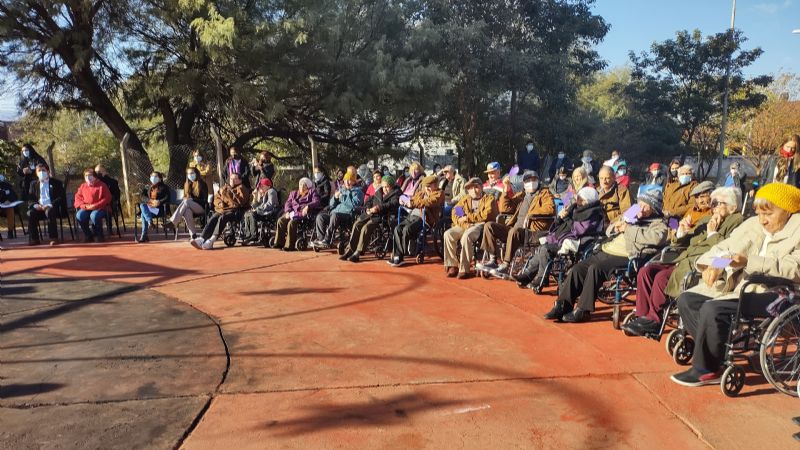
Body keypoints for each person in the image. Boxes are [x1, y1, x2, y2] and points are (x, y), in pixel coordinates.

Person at [670, 183, 800, 387]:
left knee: (713, 309)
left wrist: (750, 261)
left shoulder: (797, 230)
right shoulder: (753, 225)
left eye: (768, 213)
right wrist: (715, 266)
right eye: (758, 213)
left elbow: (794, 269)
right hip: (742, 285)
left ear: (787, 211)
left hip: (779, 293)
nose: (762, 220)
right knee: (688, 299)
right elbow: (727, 249)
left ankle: (707, 368)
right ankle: (717, 351)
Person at [624, 186, 743, 337]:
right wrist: (682, 231)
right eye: (712, 204)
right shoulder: (706, 219)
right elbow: (682, 241)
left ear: (732, 207)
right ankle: (643, 316)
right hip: (682, 257)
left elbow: (727, 249)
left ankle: (654, 320)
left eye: (717, 203)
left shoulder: (737, 221)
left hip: (700, 263)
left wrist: (712, 233)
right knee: (646, 271)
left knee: (662, 278)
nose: (712, 207)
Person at [545, 189, 668, 323]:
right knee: (578, 269)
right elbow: (609, 229)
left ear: (654, 208)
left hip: (627, 255)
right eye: (640, 204)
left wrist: (629, 229)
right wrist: (617, 226)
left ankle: (583, 310)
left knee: (595, 269)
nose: (642, 208)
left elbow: (656, 238)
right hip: (608, 248)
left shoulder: (659, 223)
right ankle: (563, 305)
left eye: (646, 206)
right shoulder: (632, 213)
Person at [515, 186, 605, 288]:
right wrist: (560, 217)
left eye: (581, 199)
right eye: (578, 198)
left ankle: (542, 278)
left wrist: (568, 220)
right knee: (541, 248)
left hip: (577, 241)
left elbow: (580, 230)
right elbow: (559, 225)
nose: (578, 200)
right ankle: (527, 274)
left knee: (545, 249)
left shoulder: (593, 214)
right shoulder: (575, 208)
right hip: (564, 237)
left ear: (588, 201)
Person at [477, 171, 555, 278]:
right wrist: (506, 188)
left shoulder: (545, 193)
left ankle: (506, 265)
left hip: (532, 231)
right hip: (516, 230)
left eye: (534, 180)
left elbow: (550, 209)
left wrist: (531, 214)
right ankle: (493, 260)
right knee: (489, 226)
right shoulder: (522, 196)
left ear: (538, 181)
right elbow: (505, 208)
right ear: (524, 184)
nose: (531, 183)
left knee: (514, 231)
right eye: (528, 181)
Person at [444, 177, 499, 279]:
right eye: (470, 188)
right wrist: (464, 222)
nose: (473, 190)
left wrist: (468, 217)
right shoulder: (465, 199)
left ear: (481, 187)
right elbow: (456, 211)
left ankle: (464, 269)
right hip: (465, 225)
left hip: (480, 224)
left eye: (476, 187)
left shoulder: (489, 199)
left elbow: (486, 214)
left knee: (467, 236)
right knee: (448, 234)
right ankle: (452, 265)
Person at [340, 175, 401, 263]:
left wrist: (378, 207)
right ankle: (350, 249)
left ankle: (358, 252)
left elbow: (393, 204)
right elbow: (369, 200)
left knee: (366, 227)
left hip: (383, 217)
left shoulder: (396, 193)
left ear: (391, 186)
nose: (385, 189)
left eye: (387, 187)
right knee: (357, 224)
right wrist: (367, 208)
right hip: (370, 213)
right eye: (383, 186)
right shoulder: (379, 191)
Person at [389, 175, 444, 267]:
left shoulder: (439, 193)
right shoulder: (421, 192)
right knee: (398, 228)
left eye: (429, 186)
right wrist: (404, 200)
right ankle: (398, 256)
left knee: (407, 229)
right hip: (413, 215)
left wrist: (413, 203)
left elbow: (430, 202)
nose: (427, 188)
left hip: (425, 218)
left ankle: (399, 255)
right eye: (426, 186)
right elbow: (412, 199)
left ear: (435, 185)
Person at [190, 173, 251, 250]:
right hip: (223, 210)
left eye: (235, 178)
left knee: (223, 217)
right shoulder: (225, 187)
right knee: (214, 217)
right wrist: (220, 203)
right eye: (231, 178)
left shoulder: (242, 189)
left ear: (240, 180)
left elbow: (237, 203)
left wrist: (226, 196)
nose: (232, 180)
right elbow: (217, 198)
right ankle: (202, 239)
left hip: (237, 212)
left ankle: (211, 240)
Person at [312, 172, 364, 249]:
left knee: (335, 215)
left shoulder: (358, 192)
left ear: (353, 181)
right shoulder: (342, 189)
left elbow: (355, 205)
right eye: (345, 180)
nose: (347, 182)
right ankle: (321, 239)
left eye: (349, 180)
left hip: (348, 214)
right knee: (320, 216)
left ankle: (327, 239)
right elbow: (331, 204)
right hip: (335, 212)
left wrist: (342, 198)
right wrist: (335, 198)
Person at [272, 177, 321, 251]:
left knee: (291, 223)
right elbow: (288, 203)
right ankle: (279, 243)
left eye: (303, 185)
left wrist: (308, 206)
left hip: (302, 214)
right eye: (300, 184)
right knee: (281, 220)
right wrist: (288, 211)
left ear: (307, 186)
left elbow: (316, 201)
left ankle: (289, 246)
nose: (301, 186)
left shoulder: (312, 192)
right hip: (292, 212)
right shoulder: (293, 193)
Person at [27, 164, 65, 246]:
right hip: (39, 208)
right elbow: (30, 199)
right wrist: (36, 206)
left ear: (48, 171)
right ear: (36, 173)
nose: (41, 172)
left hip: (52, 208)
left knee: (49, 211)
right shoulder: (33, 184)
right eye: (39, 171)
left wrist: (50, 205)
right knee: (31, 213)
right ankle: (35, 239)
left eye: (43, 170)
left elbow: (60, 197)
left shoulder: (56, 183)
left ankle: (53, 238)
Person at [168, 167, 208, 240]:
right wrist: (186, 198)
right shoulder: (187, 184)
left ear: (197, 174)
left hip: (201, 207)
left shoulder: (202, 184)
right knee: (187, 211)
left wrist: (192, 199)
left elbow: (204, 200)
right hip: (189, 206)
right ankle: (193, 235)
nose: (190, 175)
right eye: (188, 173)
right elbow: (185, 197)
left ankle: (173, 222)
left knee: (187, 201)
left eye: (192, 173)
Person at [74, 168, 112, 242]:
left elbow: (107, 198)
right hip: (87, 208)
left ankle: (99, 235)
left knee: (94, 215)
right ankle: (88, 235)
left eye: (90, 175)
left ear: (95, 176)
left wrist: (96, 205)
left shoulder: (102, 185)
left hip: (101, 208)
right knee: (79, 215)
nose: (88, 177)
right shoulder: (83, 186)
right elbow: (77, 198)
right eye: (86, 176)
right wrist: (84, 206)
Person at [242, 177, 280, 244]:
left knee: (252, 214)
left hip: (270, 213)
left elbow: (270, 204)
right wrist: (255, 197)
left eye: (262, 186)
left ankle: (254, 235)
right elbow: (256, 205)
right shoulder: (264, 193)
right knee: (247, 213)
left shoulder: (271, 191)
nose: (260, 187)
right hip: (264, 211)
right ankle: (248, 235)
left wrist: (257, 210)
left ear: (268, 186)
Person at [137, 171, 170, 243]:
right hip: (149, 209)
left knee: (143, 213)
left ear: (160, 178)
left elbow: (167, 197)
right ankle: (149, 223)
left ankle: (144, 235)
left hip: (159, 209)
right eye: (152, 176)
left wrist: (159, 201)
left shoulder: (164, 187)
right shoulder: (148, 187)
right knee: (142, 206)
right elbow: (142, 196)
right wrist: (150, 200)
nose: (153, 178)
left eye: (155, 176)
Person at [0, 174, 19, 239]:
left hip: (5, 207)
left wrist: (9, 201)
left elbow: (14, 196)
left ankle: (10, 231)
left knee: (10, 208)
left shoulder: (6, 186)